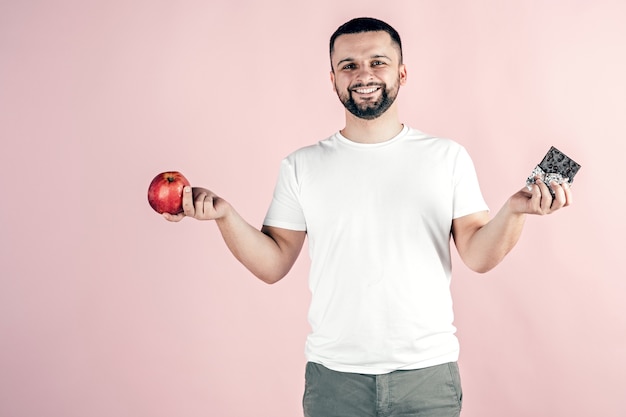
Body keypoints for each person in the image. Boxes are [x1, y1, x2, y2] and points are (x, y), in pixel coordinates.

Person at [164, 17, 572, 417]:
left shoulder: (447, 157)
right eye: (349, 65)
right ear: (333, 78)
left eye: (377, 62)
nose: (364, 74)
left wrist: (516, 210)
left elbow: (478, 256)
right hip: (334, 381)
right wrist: (225, 216)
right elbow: (272, 264)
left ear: (402, 72)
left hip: (427, 377)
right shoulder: (300, 166)